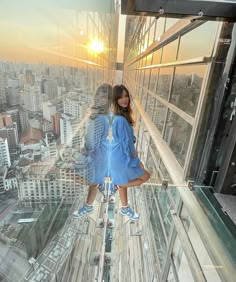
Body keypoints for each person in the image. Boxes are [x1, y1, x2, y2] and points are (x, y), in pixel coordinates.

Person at [110, 84, 150, 221]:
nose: (124, 99)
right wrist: (136, 162)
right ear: (115, 100)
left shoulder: (118, 117)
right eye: (120, 97)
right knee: (145, 177)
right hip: (122, 158)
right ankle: (118, 184)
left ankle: (125, 208)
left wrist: (131, 137)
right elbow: (126, 146)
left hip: (117, 156)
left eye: (126, 96)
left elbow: (124, 139)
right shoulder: (120, 120)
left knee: (124, 180)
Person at [73, 84, 113, 218]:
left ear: (108, 101)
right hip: (98, 153)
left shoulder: (100, 118)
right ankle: (99, 187)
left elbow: (94, 141)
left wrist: (86, 152)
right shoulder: (100, 115)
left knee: (92, 181)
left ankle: (88, 206)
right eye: (98, 96)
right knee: (94, 180)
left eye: (103, 98)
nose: (99, 99)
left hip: (97, 155)